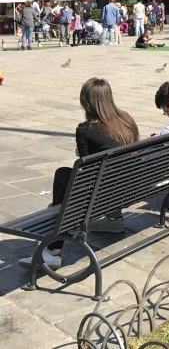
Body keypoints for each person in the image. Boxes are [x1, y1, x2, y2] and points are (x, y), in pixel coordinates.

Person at [19, 79, 140, 269]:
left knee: (62, 176)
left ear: (87, 102)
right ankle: (114, 219)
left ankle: (53, 250)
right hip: (129, 188)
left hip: (103, 194)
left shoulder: (86, 129)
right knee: (110, 173)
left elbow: (87, 169)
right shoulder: (126, 120)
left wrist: (80, 151)